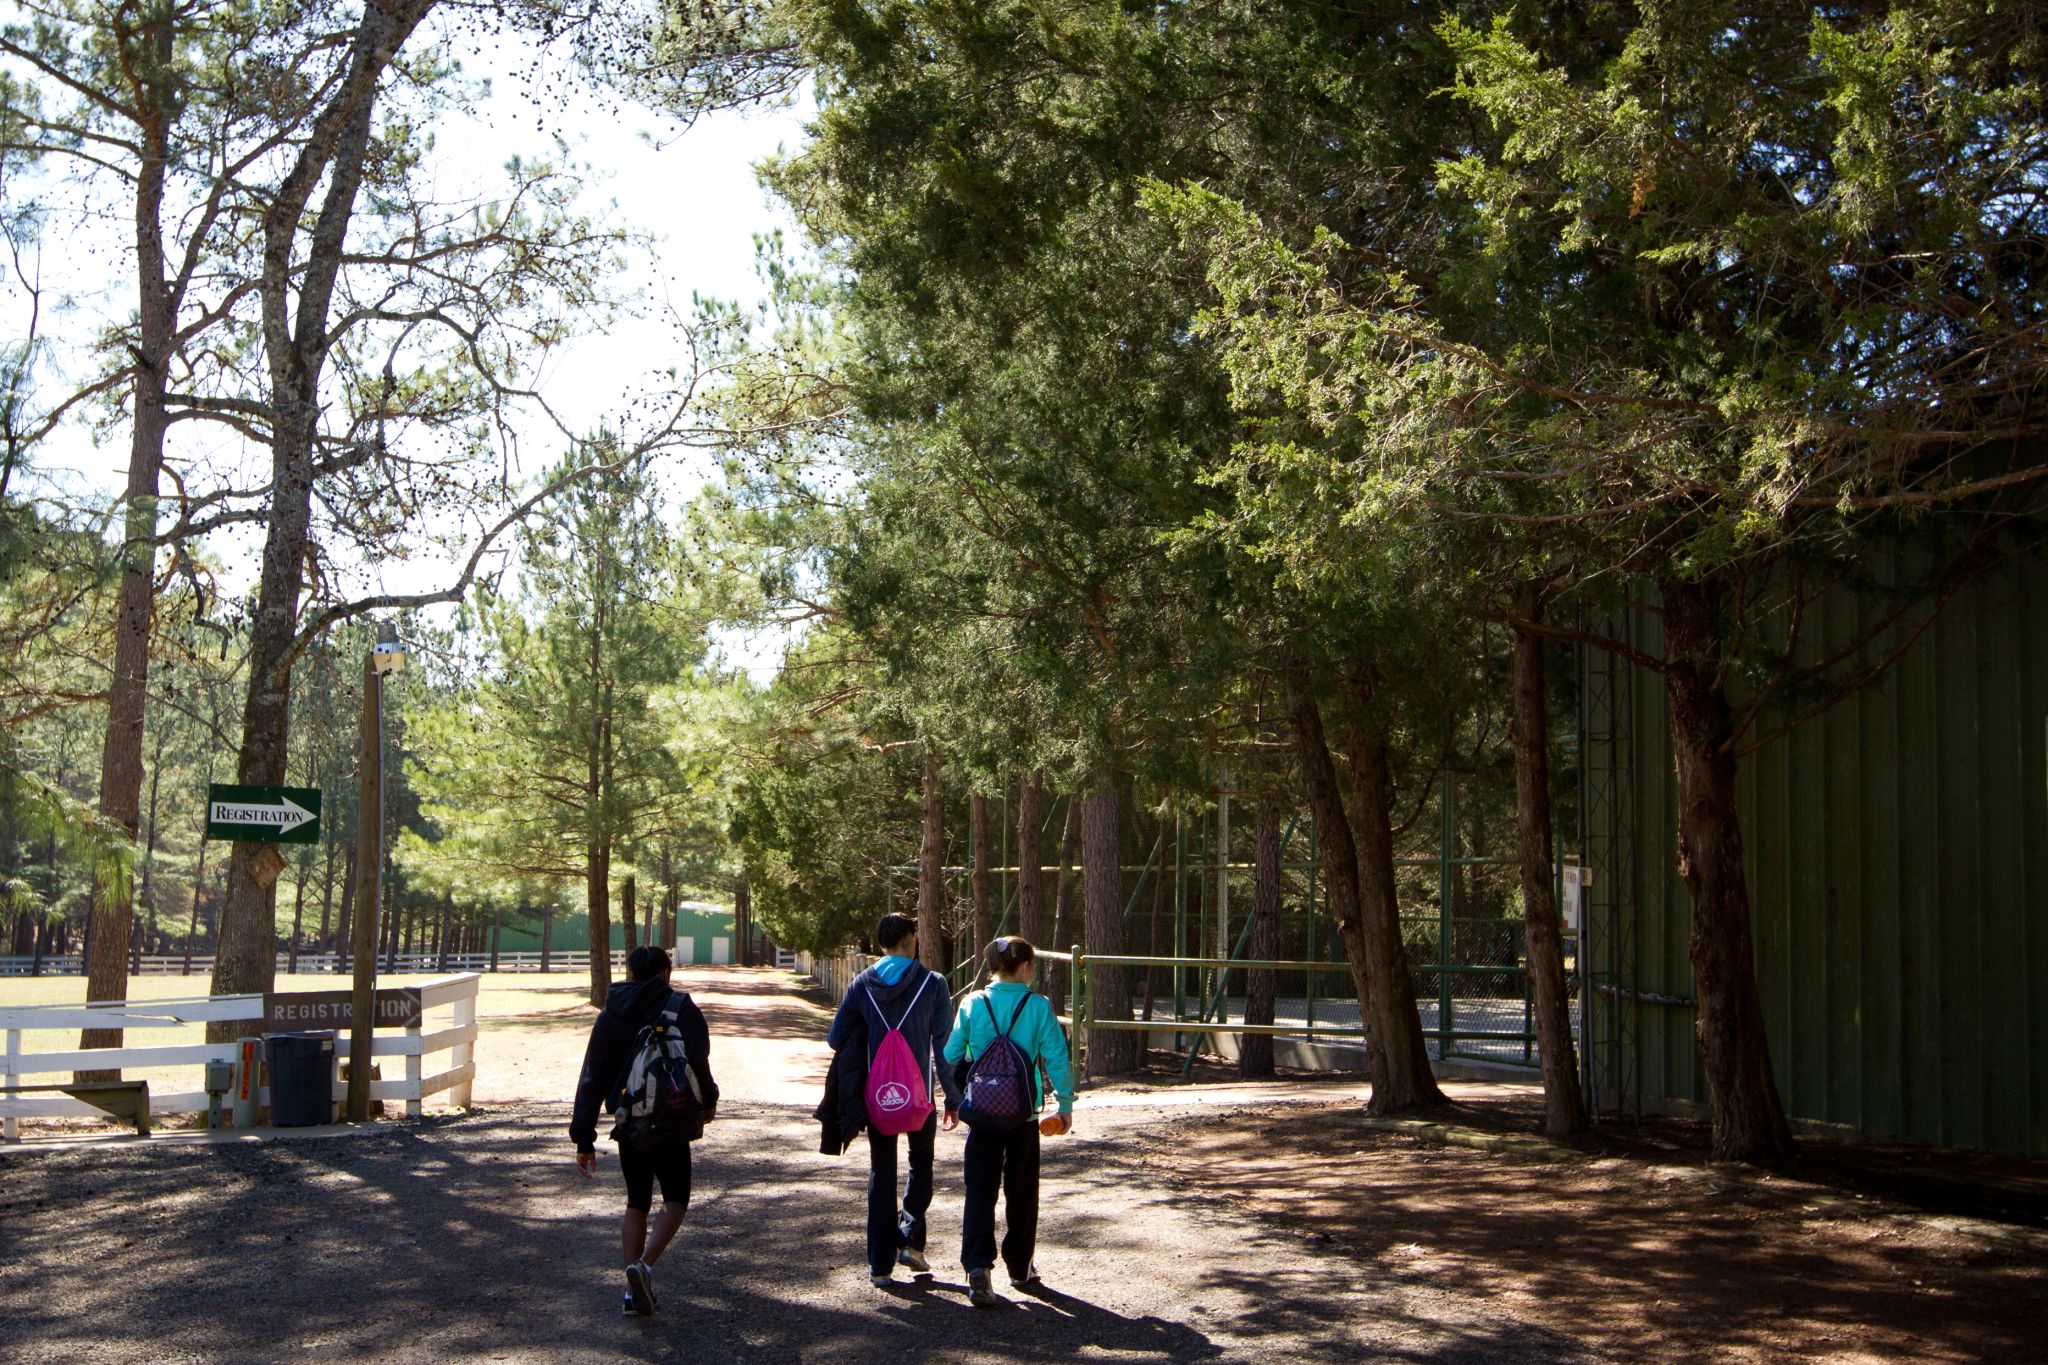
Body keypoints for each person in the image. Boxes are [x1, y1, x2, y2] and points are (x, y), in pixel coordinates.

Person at [571, 944, 718, 1316]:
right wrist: (709, 1100)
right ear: (665, 972)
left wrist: (584, 1137)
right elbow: (698, 1059)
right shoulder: (681, 1006)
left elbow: (593, 1076)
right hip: (671, 1120)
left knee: (637, 1201)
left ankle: (628, 1289)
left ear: (632, 972)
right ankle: (645, 1266)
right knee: (675, 1200)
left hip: (629, 1122)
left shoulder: (611, 1012)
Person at [826, 912, 962, 1286]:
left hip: (876, 1095)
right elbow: (944, 1045)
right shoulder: (933, 984)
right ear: (911, 938)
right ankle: (910, 1239)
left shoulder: (862, 984)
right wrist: (952, 1096)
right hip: (920, 1096)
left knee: (881, 1171)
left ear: (882, 942)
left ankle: (879, 1265)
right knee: (921, 1162)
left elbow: (836, 1037)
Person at [942, 935, 1074, 1309]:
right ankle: (1020, 1266)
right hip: (1023, 1115)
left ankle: (978, 1268)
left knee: (980, 1190)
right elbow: (1057, 1059)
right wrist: (1064, 1105)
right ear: (1026, 967)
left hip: (981, 1114)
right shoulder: (1038, 1006)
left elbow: (951, 1054)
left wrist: (956, 1094)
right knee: (1022, 1191)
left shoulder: (972, 1003)